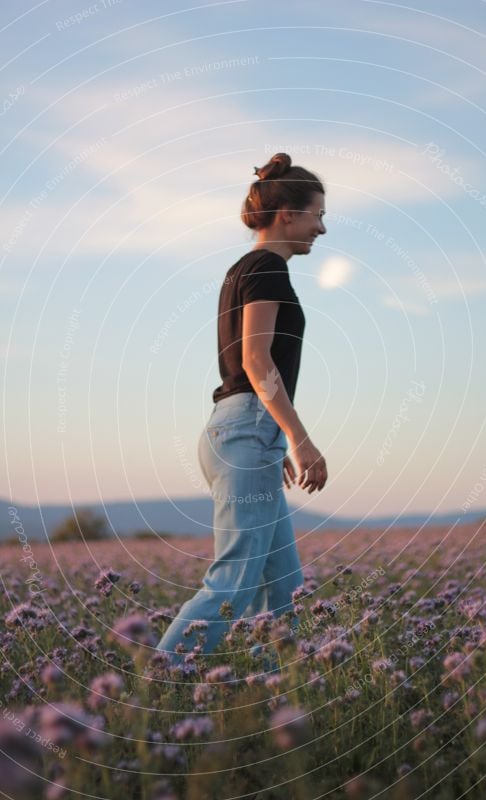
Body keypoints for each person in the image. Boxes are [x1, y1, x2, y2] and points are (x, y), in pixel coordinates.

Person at [155, 152, 328, 668]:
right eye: (317, 214)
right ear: (287, 214)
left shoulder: (244, 269)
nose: (322, 227)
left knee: (285, 592)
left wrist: (273, 437)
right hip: (247, 429)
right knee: (233, 580)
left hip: (246, 432)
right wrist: (298, 437)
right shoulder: (268, 268)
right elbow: (255, 360)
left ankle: (271, 702)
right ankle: (155, 685)